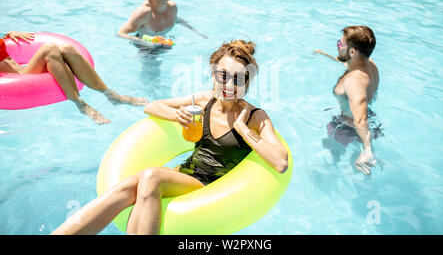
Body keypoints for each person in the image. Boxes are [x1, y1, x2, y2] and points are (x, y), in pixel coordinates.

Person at [52, 40, 288, 235]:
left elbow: (280, 162)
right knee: (128, 186)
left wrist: (245, 131)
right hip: (187, 173)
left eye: (238, 79)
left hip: (211, 185)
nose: (228, 84)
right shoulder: (205, 100)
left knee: (152, 176)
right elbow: (152, 106)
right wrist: (178, 115)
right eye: (223, 75)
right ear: (213, 74)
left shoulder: (255, 117)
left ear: (247, 82)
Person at [0, 31, 148, 124]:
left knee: (66, 48)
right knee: (49, 49)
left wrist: (8, 33)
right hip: (16, 80)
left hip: (23, 70)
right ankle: (81, 104)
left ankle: (111, 94)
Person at [314, 26, 380, 175]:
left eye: (340, 44)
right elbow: (352, 65)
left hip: (346, 130)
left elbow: (361, 120)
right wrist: (327, 55)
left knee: (329, 164)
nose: (337, 46)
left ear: (352, 52)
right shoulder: (371, 66)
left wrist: (367, 151)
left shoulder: (354, 82)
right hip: (369, 120)